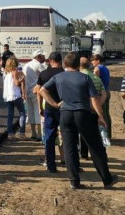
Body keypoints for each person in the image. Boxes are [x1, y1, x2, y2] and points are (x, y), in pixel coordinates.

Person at [39, 52, 116, 189]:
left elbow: (42, 90)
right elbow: (94, 99)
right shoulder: (85, 78)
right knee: (95, 147)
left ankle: (74, 181)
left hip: (65, 114)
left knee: (69, 148)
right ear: (77, 65)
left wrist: (55, 104)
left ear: (65, 64)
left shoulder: (58, 77)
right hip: (83, 113)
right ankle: (106, 179)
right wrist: (100, 116)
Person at [34, 52, 65, 173]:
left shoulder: (44, 74)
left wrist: (40, 108)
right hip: (64, 108)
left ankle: (51, 165)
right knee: (67, 135)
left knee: (49, 137)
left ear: (50, 61)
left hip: (49, 108)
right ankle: (69, 162)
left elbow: (39, 91)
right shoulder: (65, 73)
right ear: (61, 60)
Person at [79, 56, 107, 159]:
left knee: (82, 132)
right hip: (94, 109)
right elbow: (104, 94)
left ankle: (84, 154)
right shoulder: (96, 78)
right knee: (94, 133)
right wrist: (98, 105)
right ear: (89, 65)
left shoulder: (78, 76)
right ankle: (98, 154)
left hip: (82, 108)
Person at [23, 50, 46, 140]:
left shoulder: (26, 65)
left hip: (28, 91)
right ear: (39, 57)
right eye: (43, 56)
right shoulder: (38, 65)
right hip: (37, 92)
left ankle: (33, 133)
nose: (44, 58)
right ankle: (39, 134)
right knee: (38, 112)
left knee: (30, 112)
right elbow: (45, 76)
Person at [3, 56, 26, 138]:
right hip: (15, 95)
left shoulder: (5, 73)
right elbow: (16, 83)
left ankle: (10, 133)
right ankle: (22, 133)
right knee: (22, 113)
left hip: (8, 96)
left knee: (10, 115)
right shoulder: (14, 72)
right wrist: (22, 79)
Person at [92, 54, 112, 139]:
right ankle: (109, 134)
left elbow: (95, 81)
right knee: (107, 114)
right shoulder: (105, 68)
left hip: (101, 93)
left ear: (98, 60)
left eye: (93, 60)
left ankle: (104, 135)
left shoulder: (97, 69)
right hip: (107, 91)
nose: (92, 62)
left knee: (101, 114)